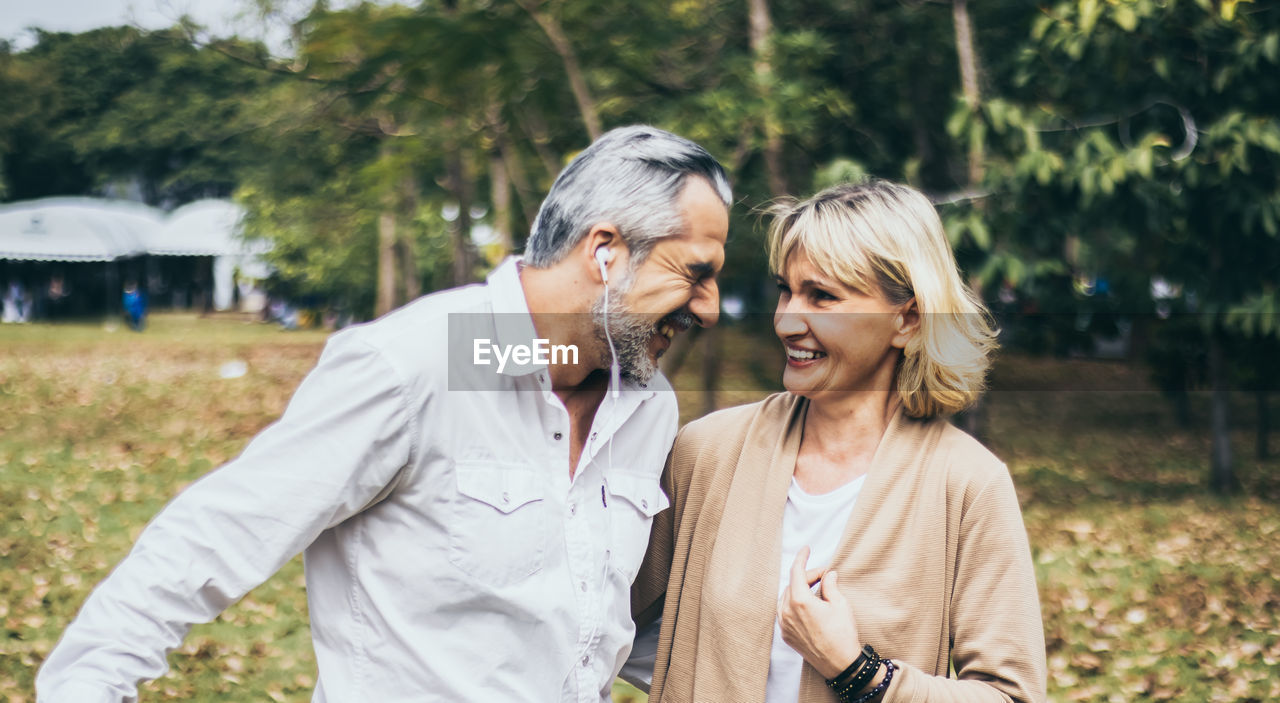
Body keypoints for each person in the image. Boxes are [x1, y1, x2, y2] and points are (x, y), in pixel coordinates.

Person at [37, 125, 732, 702]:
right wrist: (87, 682)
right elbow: (215, 535)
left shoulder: (645, 406)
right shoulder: (419, 363)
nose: (707, 307)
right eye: (695, 272)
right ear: (605, 252)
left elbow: (601, 620)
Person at [628, 181, 1046, 702]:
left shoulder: (967, 484)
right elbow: (593, 617)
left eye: (822, 296)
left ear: (908, 319)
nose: (785, 320)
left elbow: (1012, 695)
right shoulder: (708, 452)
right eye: (786, 289)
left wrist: (856, 670)